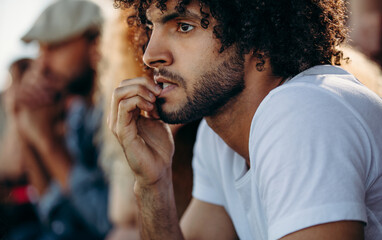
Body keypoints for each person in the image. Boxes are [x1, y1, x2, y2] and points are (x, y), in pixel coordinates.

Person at [109, 0, 382, 239]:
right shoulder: (217, 135)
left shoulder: (302, 113)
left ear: (255, 34)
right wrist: (153, 184)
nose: (150, 55)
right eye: (151, 26)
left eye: (183, 26)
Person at [4, 1, 111, 239]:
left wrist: (50, 144)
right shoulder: (79, 113)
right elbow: (57, 217)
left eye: (55, 47)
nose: (42, 63)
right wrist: (26, 129)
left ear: (97, 41)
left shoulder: (118, 109)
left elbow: (107, 223)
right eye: (41, 49)